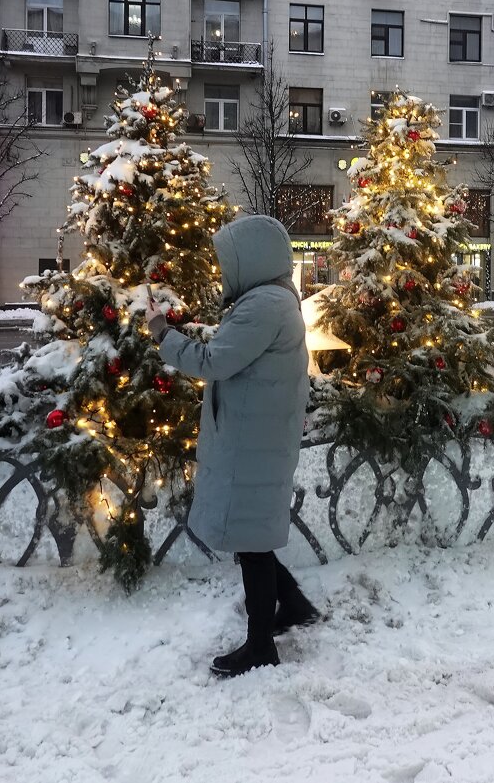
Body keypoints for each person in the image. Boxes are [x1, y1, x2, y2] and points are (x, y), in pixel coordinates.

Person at [146, 215, 317, 678]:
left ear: (251, 259)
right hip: (256, 437)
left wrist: (163, 334)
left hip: (251, 443)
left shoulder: (264, 306)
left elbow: (213, 361)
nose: (224, 272)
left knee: (252, 545)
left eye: (228, 262)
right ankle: (295, 606)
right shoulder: (272, 301)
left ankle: (261, 645)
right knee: (253, 536)